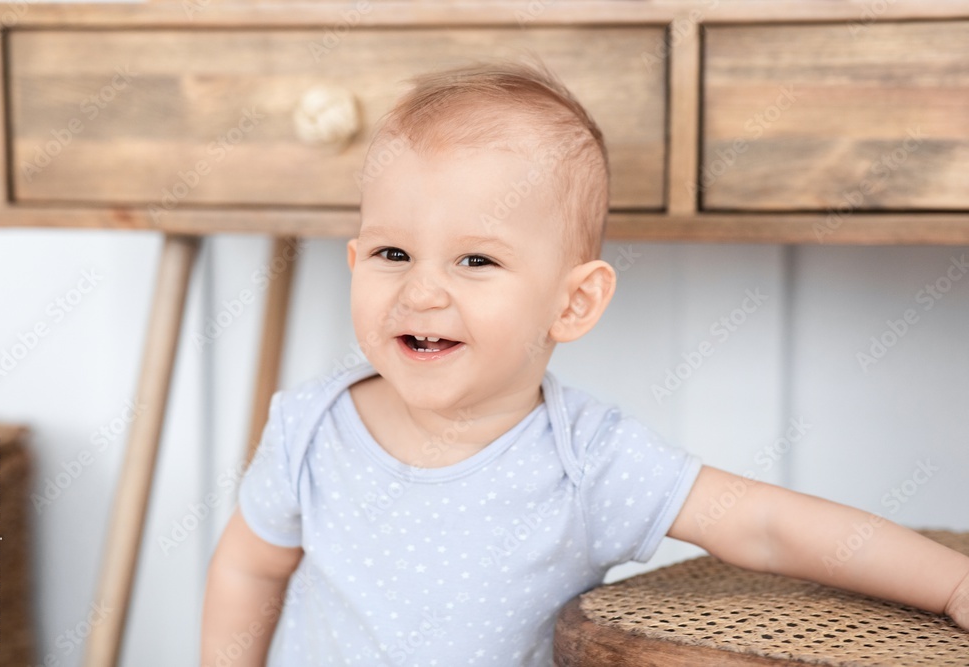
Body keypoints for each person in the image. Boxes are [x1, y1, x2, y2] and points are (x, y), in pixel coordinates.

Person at [201, 59, 969, 666]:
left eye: (475, 259)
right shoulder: (310, 426)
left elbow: (766, 525)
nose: (421, 288)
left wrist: (951, 582)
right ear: (355, 257)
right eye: (392, 252)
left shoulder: (589, 461)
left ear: (571, 305)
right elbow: (248, 568)